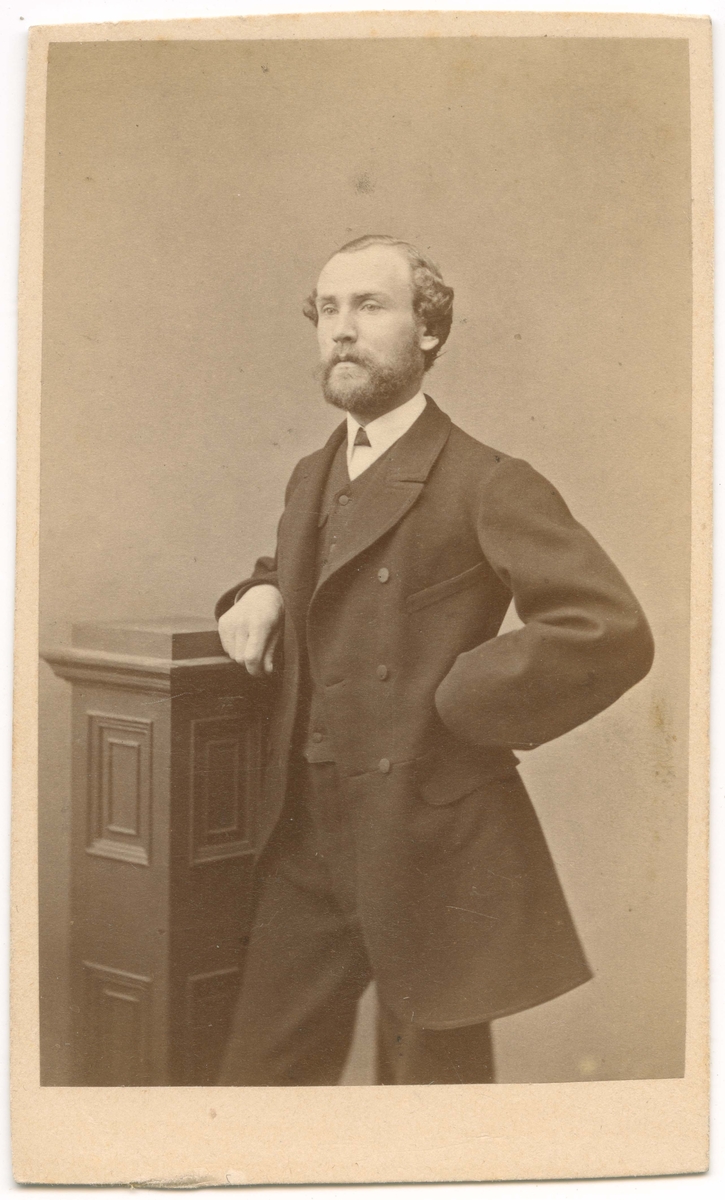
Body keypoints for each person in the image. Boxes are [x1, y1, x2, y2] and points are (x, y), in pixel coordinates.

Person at [215, 234, 654, 1086]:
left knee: (431, 1105)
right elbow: (316, 574)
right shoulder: (309, 474)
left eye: (369, 306)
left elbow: (606, 627)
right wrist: (259, 590)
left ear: (427, 331)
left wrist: (461, 701)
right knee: (256, 1088)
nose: (342, 329)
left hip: (425, 839)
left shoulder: (486, 479)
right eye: (328, 309)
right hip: (305, 841)